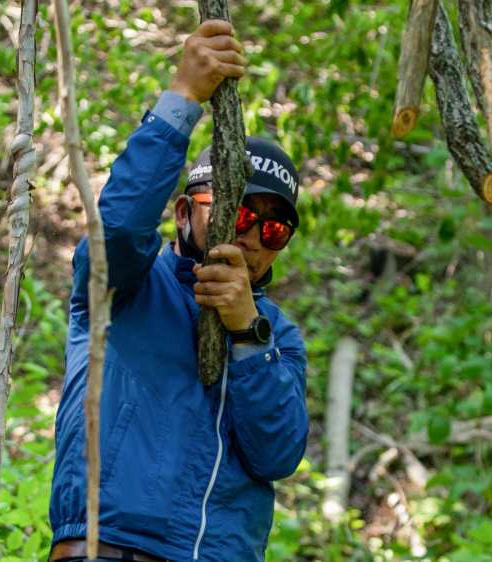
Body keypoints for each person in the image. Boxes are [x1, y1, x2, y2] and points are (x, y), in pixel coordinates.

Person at [48, 19, 309, 562]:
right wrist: (184, 97)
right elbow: (116, 228)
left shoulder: (276, 336)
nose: (252, 233)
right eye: (237, 209)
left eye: (274, 226)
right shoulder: (127, 285)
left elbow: (278, 454)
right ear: (186, 212)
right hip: (106, 547)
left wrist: (245, 332)